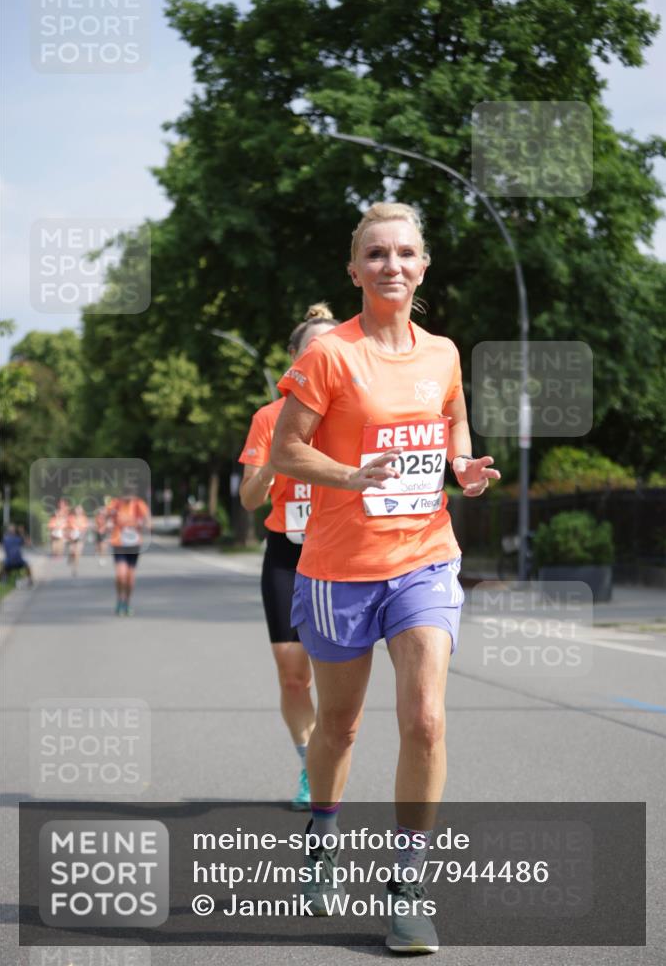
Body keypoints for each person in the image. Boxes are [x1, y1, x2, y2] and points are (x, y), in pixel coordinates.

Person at [271, 203, 500, 953]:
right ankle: (322, 837)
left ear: (422, 265)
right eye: (375, 255)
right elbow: (285, 453)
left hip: (424, 556)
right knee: (338, 727)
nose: (390, 266)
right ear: (353, 269)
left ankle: (406, 883)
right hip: (338, 570)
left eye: (404, 253)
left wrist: (461, 465)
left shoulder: (442, 353)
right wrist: (349, 474)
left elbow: (452, 423)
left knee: (425, 718)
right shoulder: (328, 356)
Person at [239, 303, 338, 811]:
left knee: (334, 674)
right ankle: (308, 763)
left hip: (340, 552)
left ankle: (329, 759)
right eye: (311, 349)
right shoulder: (269, 417)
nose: (321, 355)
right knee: (293, 673)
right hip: (285, 552)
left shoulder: (352, 410)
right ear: (294, 360)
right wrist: (271, 469)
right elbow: (250, 500)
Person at [106, 490, 150, 616]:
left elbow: (148, 521)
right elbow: (106, 516)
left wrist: (143, 524)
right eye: (125, 495)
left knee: (130, 578)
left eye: (130, 496)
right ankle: (120, 599)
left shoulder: (138, 504)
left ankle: (127, 602)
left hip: (134, 544)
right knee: (121, 574)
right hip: (119, 543)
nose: (128, 498)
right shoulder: (115, 504)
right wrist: (109, 523)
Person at [65, 504, 88, 577]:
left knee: (77, 553)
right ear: (75, 510)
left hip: (80, 538)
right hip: (72, 537)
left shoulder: (84, 518)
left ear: (82, 511)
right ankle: (70, 557)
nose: (78, 511)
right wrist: (69, 534)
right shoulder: (70, 518)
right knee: (72, 551)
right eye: (77, 509)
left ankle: (75, 568)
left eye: (80, 510)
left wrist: (83, 534)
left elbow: (85, 529)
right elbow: (67, 528)